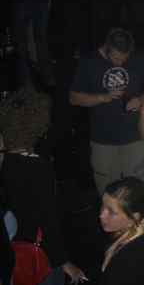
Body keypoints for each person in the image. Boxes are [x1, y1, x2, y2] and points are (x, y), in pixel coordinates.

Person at [0, 88, 87, 285]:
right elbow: (48, 220)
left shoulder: (6, 162)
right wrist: (64, 262)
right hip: (39, 253)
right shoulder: (39, 168)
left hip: (12, 248)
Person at [70, 28, 144, 194]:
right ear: (106, 48)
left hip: (135, 136)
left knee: (139, 189)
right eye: (116, 58)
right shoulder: (89, 62)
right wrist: (103, 97)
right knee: (108, 191)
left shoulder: (139, 58)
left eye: (124, 59)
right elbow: (74, 98)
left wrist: (140, 100)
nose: (120, 63)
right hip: (103, 139)